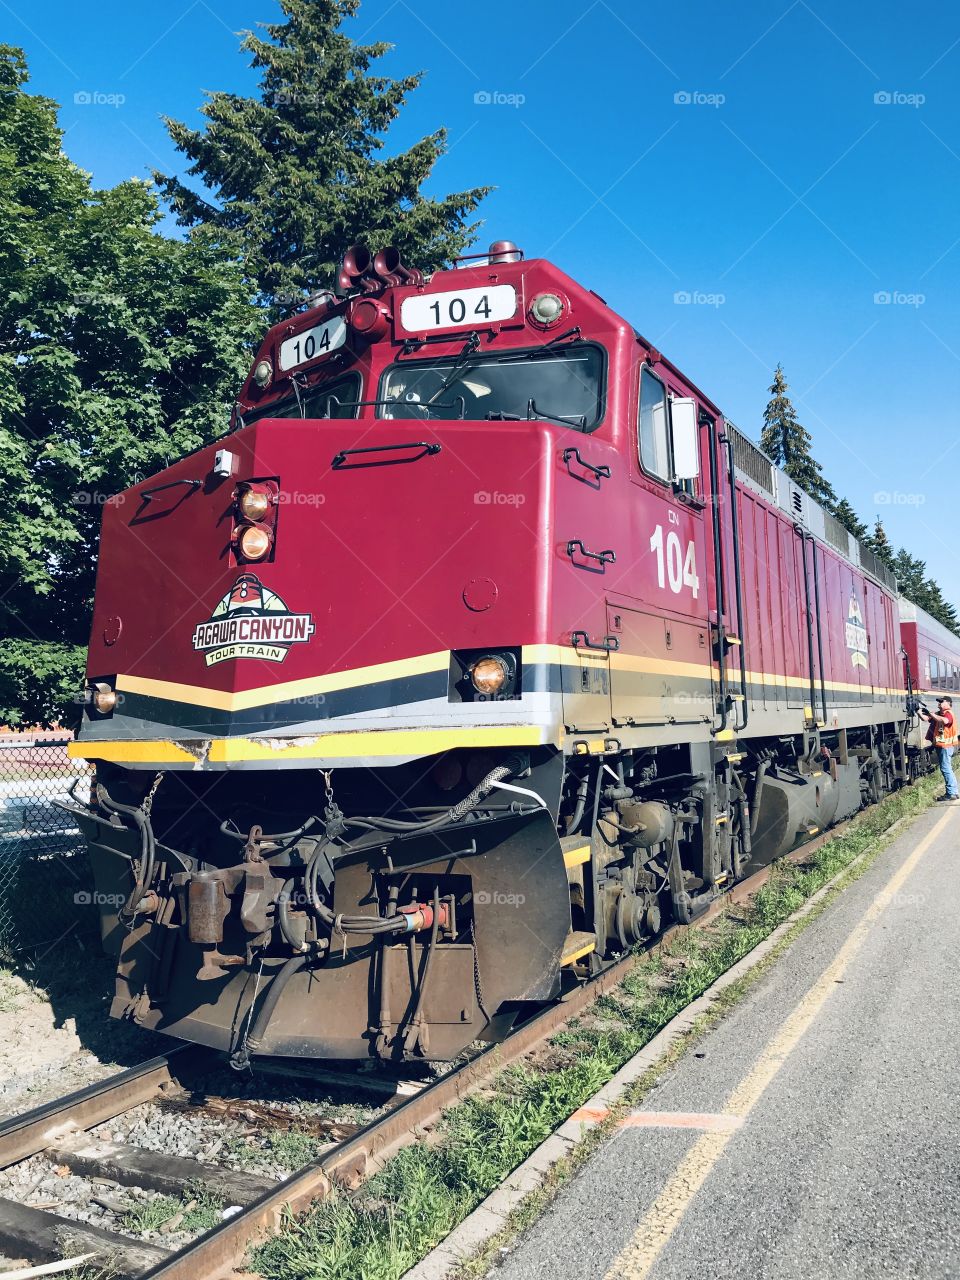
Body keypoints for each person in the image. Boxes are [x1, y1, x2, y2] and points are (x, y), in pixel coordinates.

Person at [921, 695, 959, 800]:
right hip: (941, 746)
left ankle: (951, 793)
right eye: (939, 702)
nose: (939, 704)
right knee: (947, 769)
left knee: (946, 769)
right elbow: (925, 718)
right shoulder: (939, 714)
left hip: (946, 747)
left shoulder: (948, 714)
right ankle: (954, 792)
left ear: (948, 703)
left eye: (941, 702)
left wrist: (931, 714)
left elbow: (945, 721)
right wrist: (918, 711)